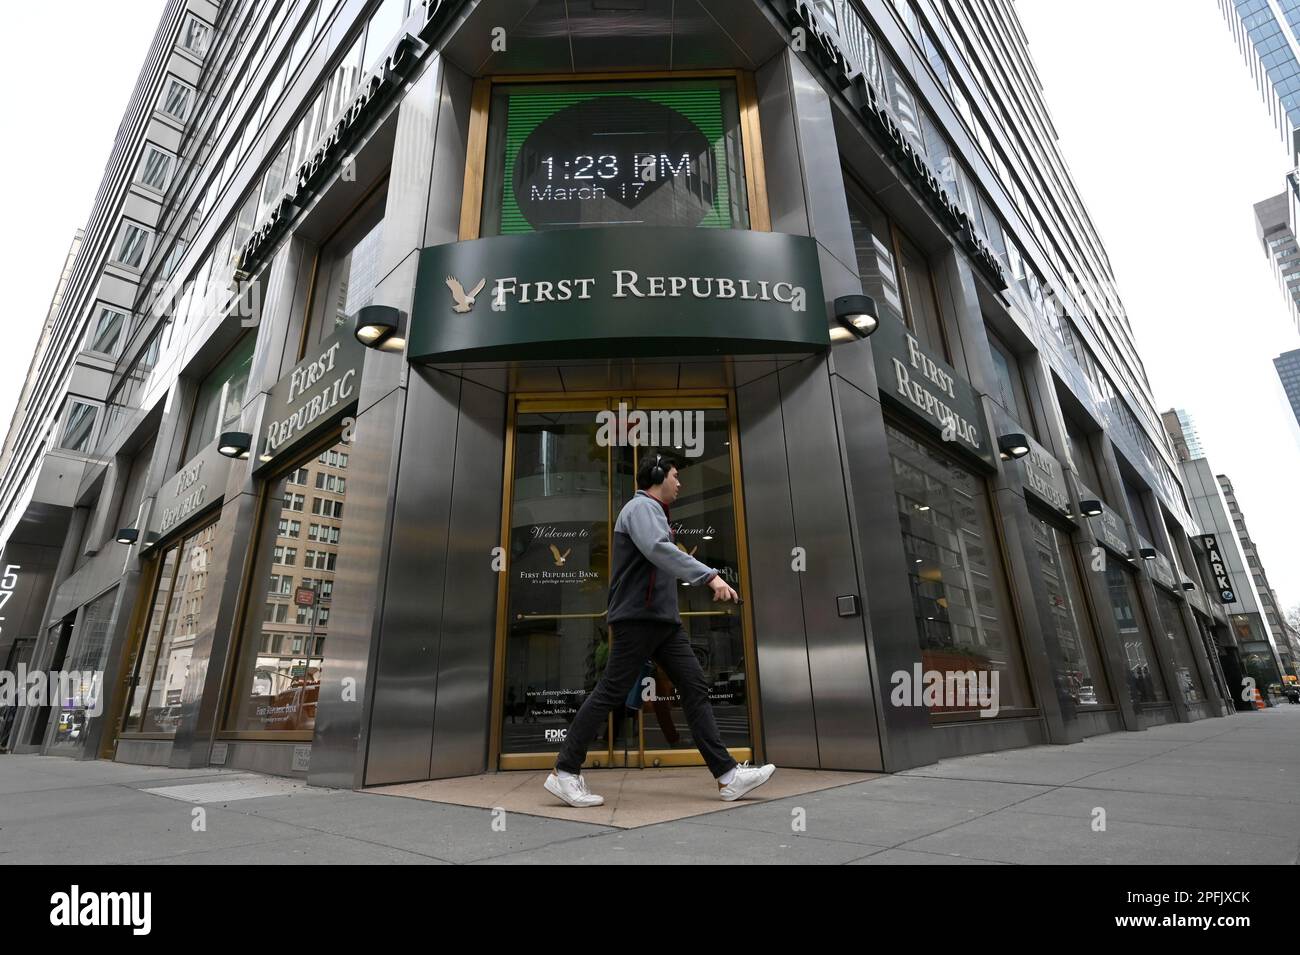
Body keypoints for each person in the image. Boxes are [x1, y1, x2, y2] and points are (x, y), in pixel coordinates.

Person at [545, 452, 776, 807]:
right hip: (637, 619)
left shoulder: (655, 513)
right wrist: (710, 576)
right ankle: (565, 772)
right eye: (675, 475)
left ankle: (728, 777)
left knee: (695, 686)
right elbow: (657, 549)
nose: (680, 482)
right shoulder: (640, 510)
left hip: (662, 622)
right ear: (656, 476)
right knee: (610, 691)